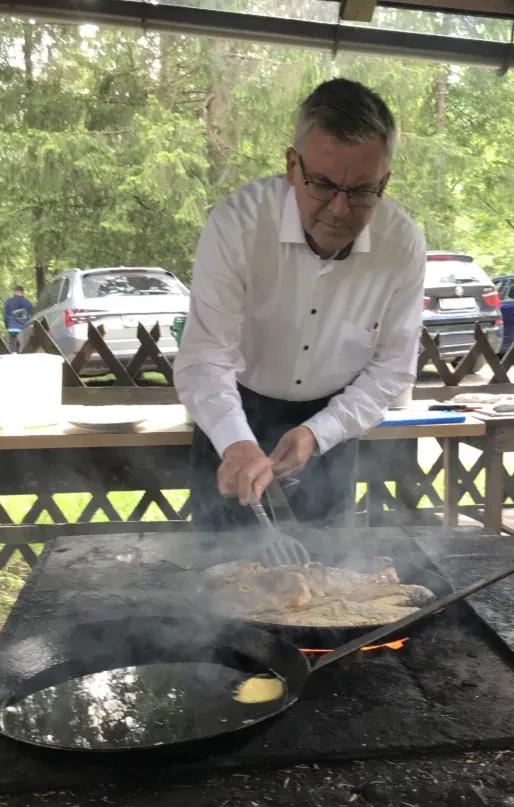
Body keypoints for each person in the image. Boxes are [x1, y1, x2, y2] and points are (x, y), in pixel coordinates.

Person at [174, 78, 425, 531]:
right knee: (213, 575)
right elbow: (206, 357)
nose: (339, 210)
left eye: (363, 191)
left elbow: (392, 368)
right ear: (292, 166)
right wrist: (236, 442)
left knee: (330, 583)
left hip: (332, 424)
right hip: (234, 412)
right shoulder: (239, 225)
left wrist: (318, 432)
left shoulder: (402, 245)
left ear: (384, 182)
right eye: (323, 185)